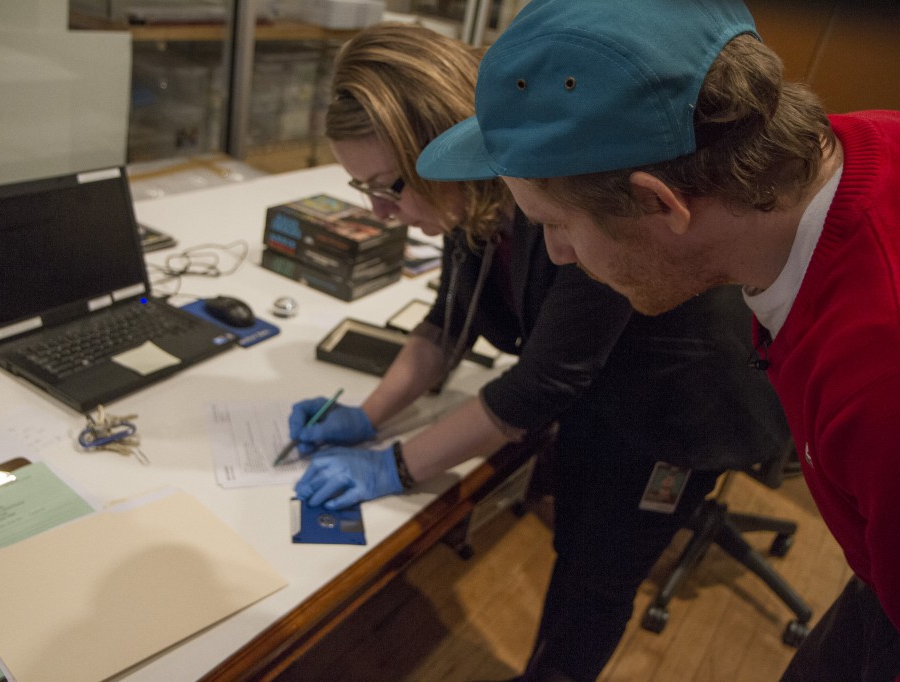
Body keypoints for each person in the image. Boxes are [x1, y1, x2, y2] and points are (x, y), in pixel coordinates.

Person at [415, 0, 900, 679]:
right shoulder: (866, 142)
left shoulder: (892, 380)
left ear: (661, 203)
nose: (558, 255)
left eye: (557, 225)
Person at [290, 22, 790, 681]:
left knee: (595, 579)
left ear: (441, 142)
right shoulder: (468, 194)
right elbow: (449, 320)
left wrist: (396, 468)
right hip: (599, 388)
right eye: (368, 191)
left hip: (677, 406)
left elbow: (545, 380)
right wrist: (370, 414)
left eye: (391, 186)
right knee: (575, 541)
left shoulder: (566, 198)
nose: (383, 214)